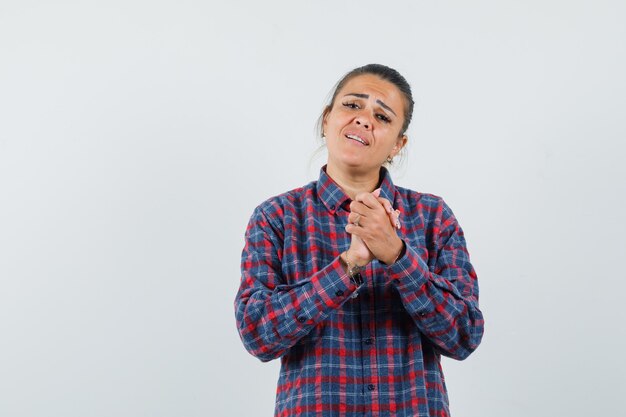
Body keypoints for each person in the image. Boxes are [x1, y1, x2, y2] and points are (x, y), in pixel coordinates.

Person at [234, 64, 484, 417]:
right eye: (352, 106)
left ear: (398, 144)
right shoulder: (276, 217)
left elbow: (464, 336)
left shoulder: (433, 216)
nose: (364, 120)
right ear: (326, 119)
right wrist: (348, 265)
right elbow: (258, 334)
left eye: (382, 116)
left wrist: (398, 256)